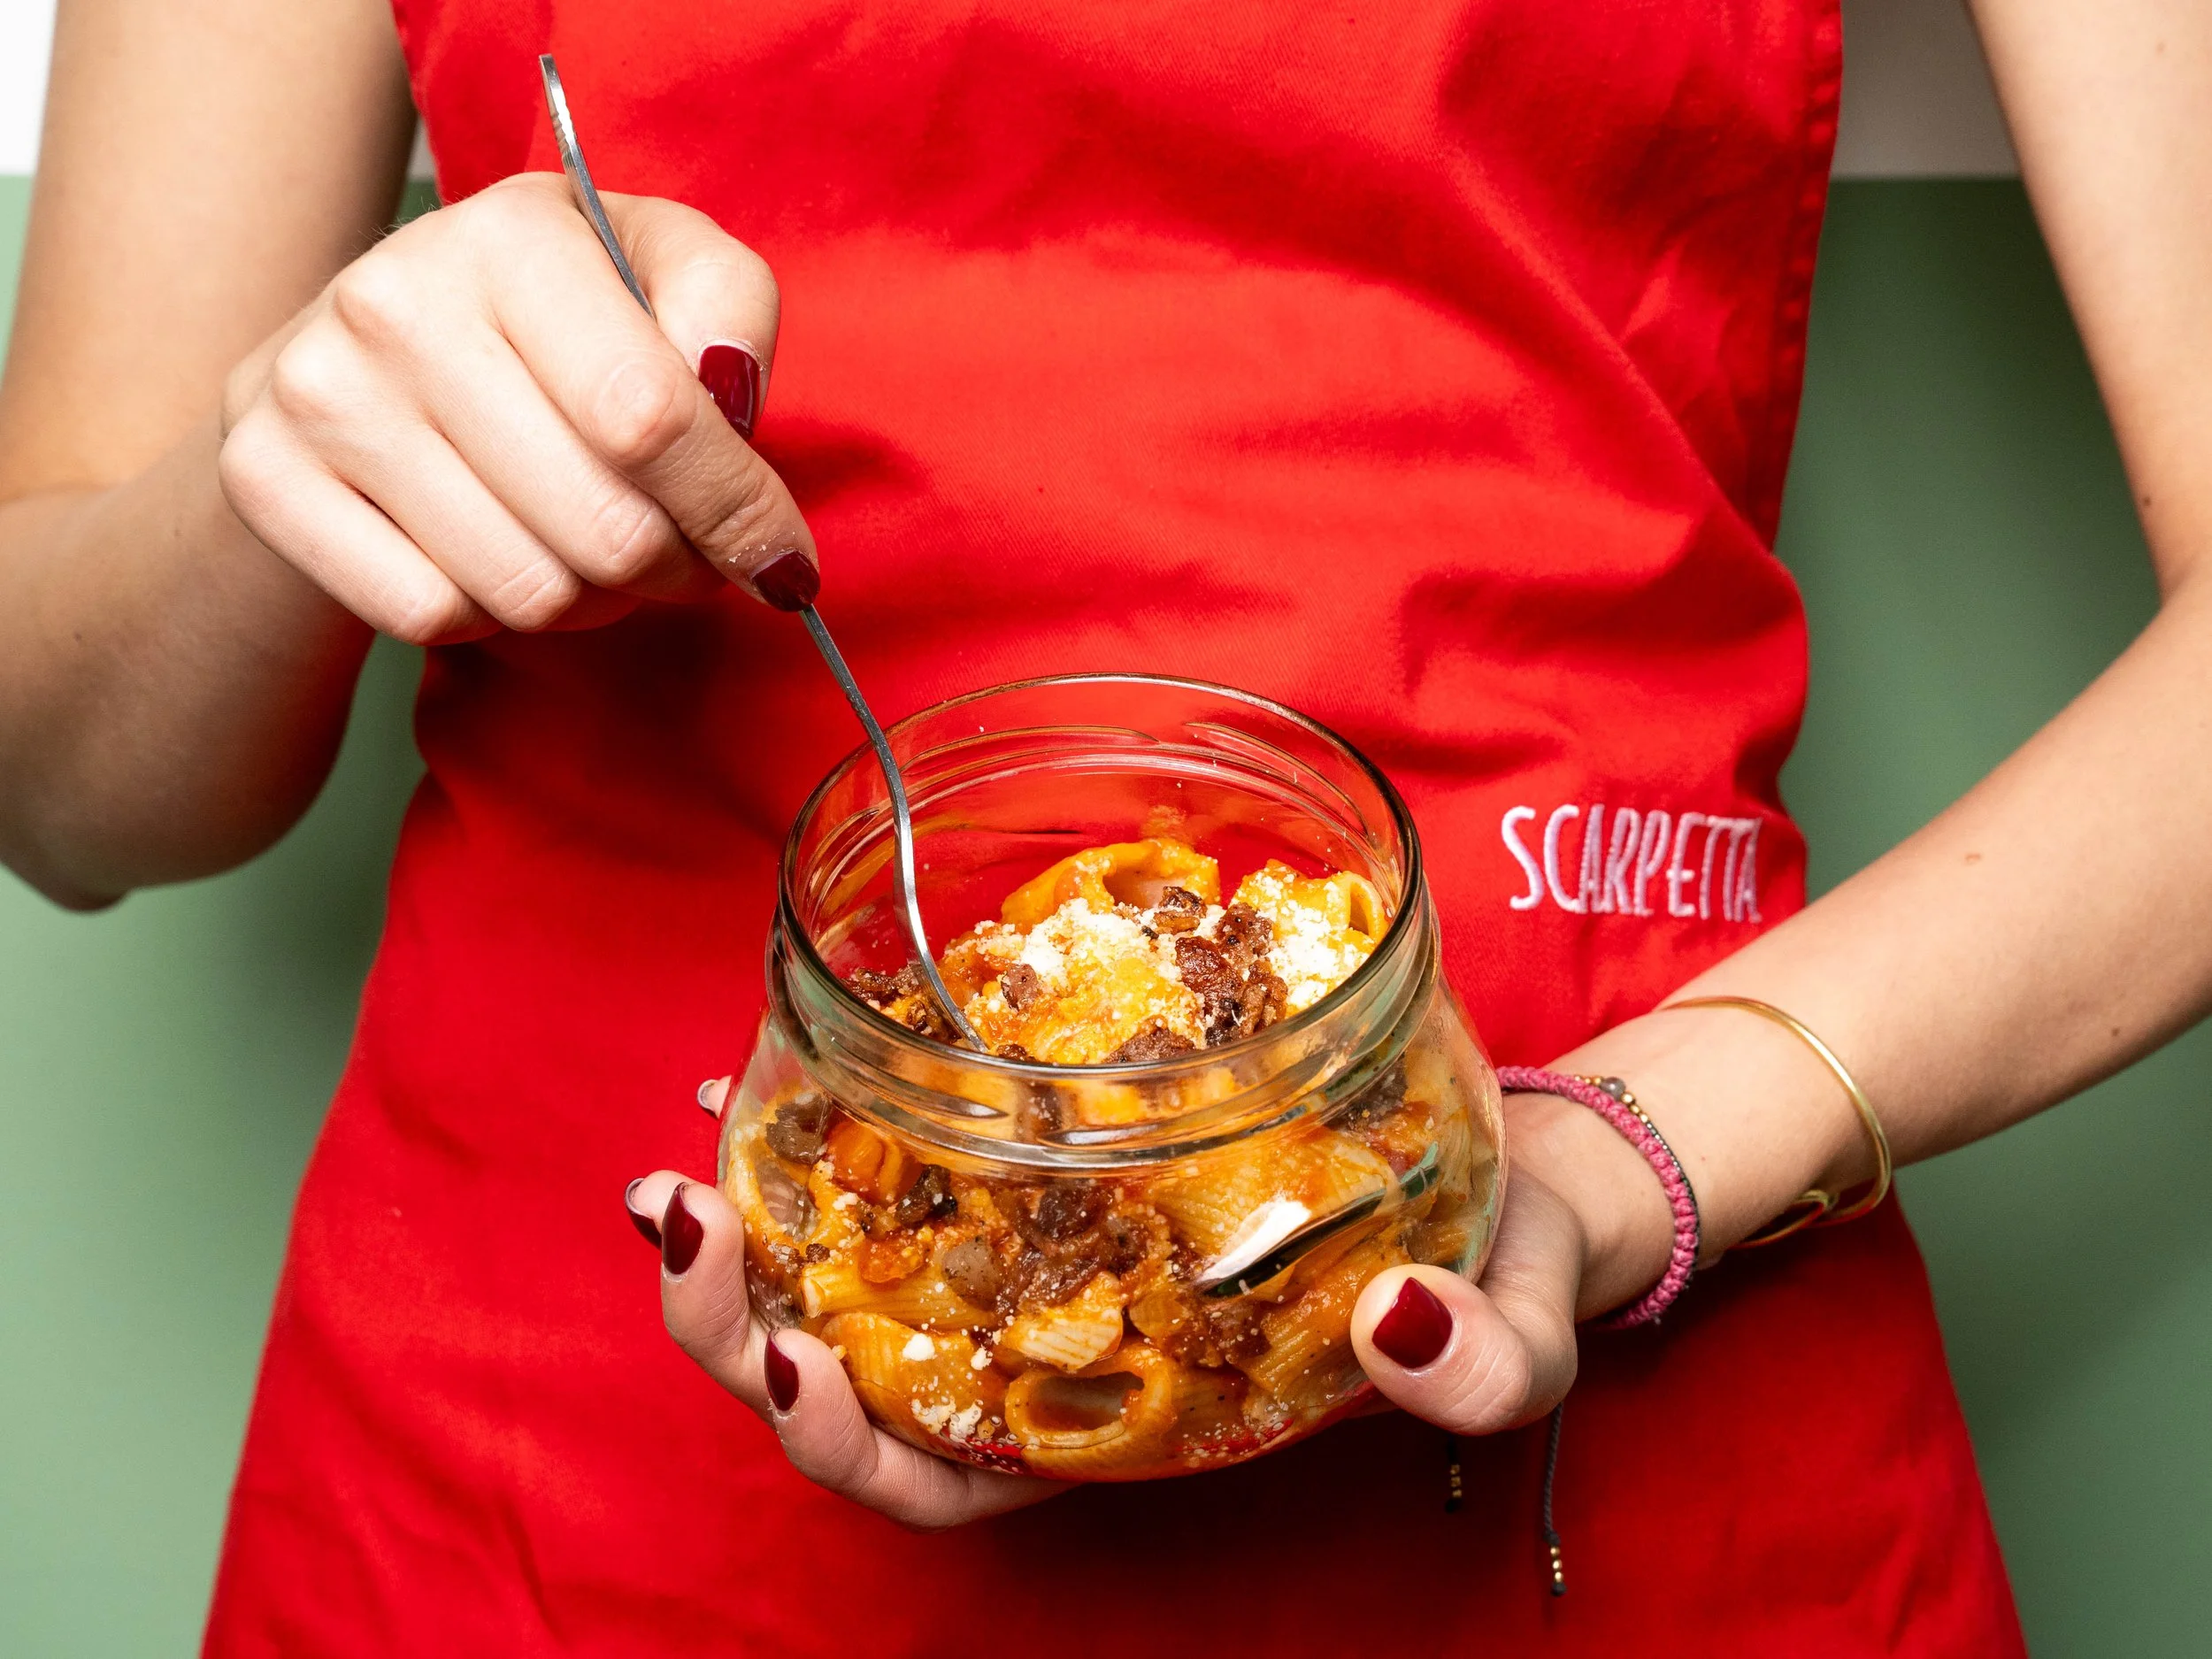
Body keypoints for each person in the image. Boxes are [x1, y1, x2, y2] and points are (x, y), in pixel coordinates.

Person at [2, 0, 2204, 1650]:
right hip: (555, 1469)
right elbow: (68, 780)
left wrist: (1632, 1148)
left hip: (1618, 1358)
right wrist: (295, 458)